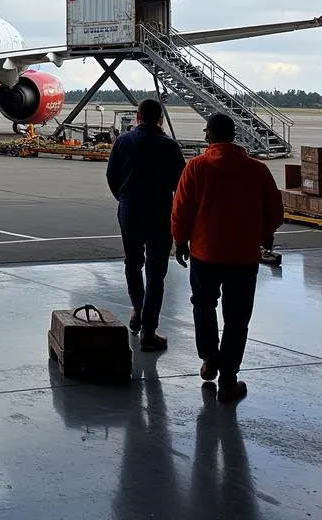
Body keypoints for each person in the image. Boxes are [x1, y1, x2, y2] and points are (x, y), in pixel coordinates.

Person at [171, 113, 284, 404]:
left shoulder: (196, 167)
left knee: (203, 306)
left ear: (209, 135)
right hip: (243, 256)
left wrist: (180, 240)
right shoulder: (257, 170)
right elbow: (274, 210)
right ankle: (229, 380)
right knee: (237, 318)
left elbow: (181, 208)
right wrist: (266, 236)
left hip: (205, 253)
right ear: (234, 136)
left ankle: (210, 359)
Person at [105, 98, 186, 351]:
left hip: (130, 210)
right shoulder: (170, 146)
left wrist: (124, 197)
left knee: (132, 262)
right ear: (160, 119)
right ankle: (149, 332)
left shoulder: (123, 141)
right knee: (156, 272)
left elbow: (111, 175)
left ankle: (136, 308)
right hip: (160, 211)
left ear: (138, 117)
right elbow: (180, 184)